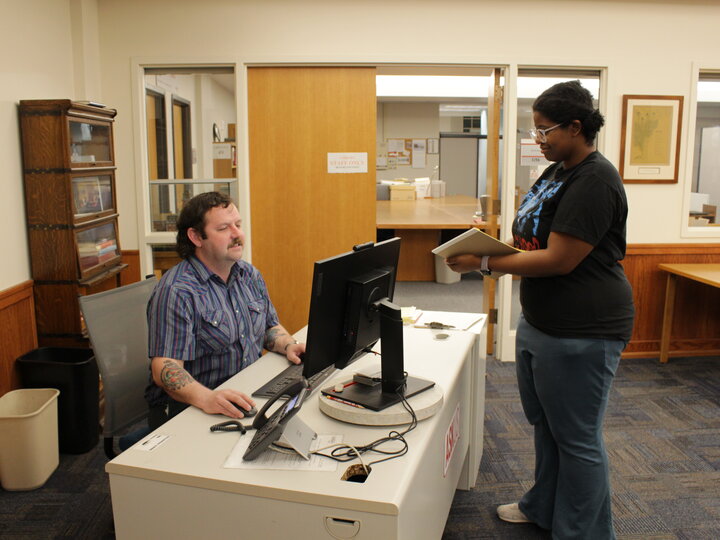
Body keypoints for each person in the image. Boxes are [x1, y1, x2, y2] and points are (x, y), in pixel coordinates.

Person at [446, 81, 634, 539]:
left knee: (577, 437)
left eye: (546, 131)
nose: (539, 140)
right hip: (543, 322)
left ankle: (585, 532)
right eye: (535, 131)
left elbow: (559, 258)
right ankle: (545, 509)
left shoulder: (595, 179)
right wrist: (485, 247)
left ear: (576, 127)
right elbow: (531, 239)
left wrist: (485, 263)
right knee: (546, 426)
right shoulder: (556, 172)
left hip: (585, 327)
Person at [145, 191, 305, 429]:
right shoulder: (178, 291)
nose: (238, 234)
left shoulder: (248, 274)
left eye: (238, 225)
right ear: (196, 237)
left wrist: (288, 345)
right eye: (223, 229)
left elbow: (269, 327)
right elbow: (164, 369)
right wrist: (207, 398)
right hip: (193, 407)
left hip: (247, 391)